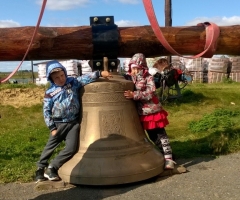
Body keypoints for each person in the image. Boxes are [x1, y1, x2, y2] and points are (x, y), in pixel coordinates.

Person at [35, 60, 112, 182]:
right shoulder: (50, 93)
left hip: (73, 123)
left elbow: (86, 78)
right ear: (51, 79)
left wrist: (100, 73)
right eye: (57, 78)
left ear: (65, 73)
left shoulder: (73, 83)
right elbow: (46, 111)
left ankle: (52, 167)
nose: (61, 79)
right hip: (58, 123)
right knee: (50, 146)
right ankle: (40, 168)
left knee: (71, 149)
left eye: (62, 75)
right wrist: (52, 128)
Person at [123, 53, 176, 170]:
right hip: (141, 113)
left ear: (142, 67)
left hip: (152, 111)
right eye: (133, 68)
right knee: (150, 137)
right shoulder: (129, 77)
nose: (135, 70)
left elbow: (150, 92)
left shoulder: (148, 77)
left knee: (160, 135)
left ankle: (169, 158)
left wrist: (134, 94)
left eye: (137, 68)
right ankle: (159, 154)